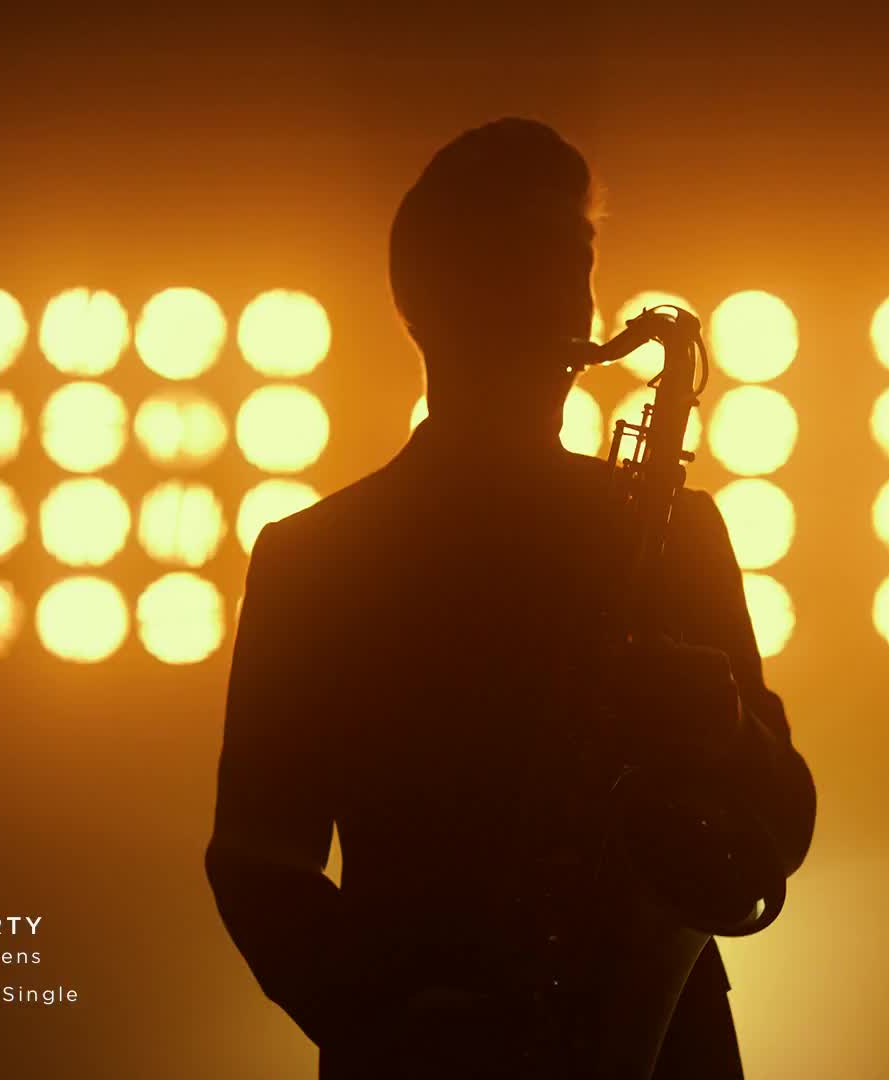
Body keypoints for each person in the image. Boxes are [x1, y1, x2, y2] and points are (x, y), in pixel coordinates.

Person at [205, 117, 816, 1079]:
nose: (556, 295)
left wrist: (728, 728)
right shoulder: (313, 560)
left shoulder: (674, 530)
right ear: (423, 298)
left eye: (569, 260)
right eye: (514, 258)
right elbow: (255, 861)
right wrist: (395, 1021)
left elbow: (782, 829)